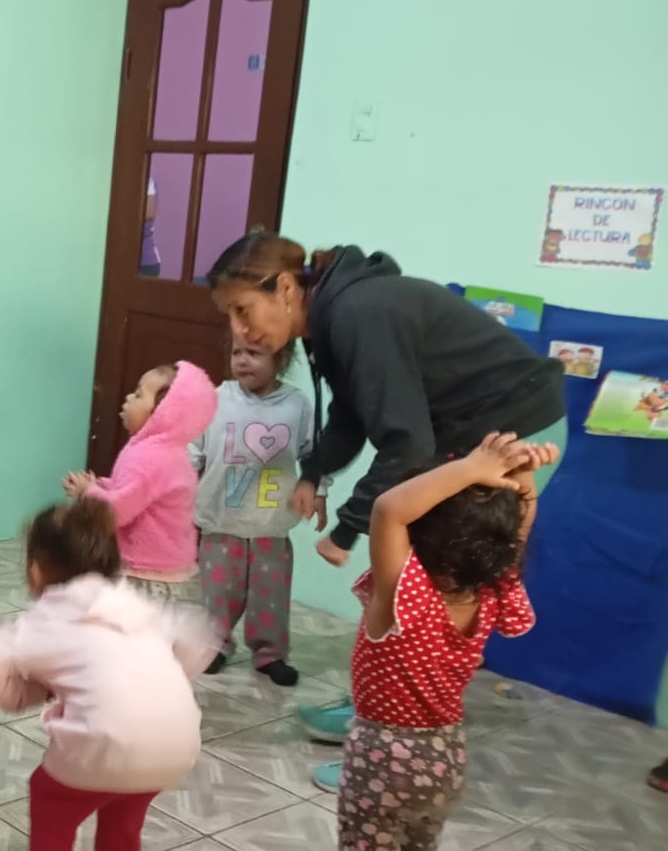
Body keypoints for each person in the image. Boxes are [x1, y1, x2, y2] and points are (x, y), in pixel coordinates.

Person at [207, 232, 566, 760]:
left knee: (431, 598)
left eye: (243, 310)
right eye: (230, 318)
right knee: (402, 593)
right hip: (465, 441)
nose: (241, 331)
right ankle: (372, 711)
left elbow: (406, 441)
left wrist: (349, 527)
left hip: (513, 434)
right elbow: (353, 414)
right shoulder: (333, 317)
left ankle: (396, 749)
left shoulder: (357, 312)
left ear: (284, 287)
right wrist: (314, 472)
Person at [291, 434, 555, 851]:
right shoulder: (490, 589)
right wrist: (521, 483)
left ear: (423, 533)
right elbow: (514, 537)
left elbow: (389, 509)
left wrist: (473, 467)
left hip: (384, 757)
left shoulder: (404, 593)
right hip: (445, 755)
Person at [0, 500, 214, 851]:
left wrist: (29, 692)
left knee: (52, 808)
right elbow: (199, 636)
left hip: (100, 745)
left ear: (36, 569)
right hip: (173, 746)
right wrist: (157, 683)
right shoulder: (138, 607)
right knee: (124, 808)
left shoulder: (46, 620)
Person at [190, 338, 325, 685]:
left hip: (271, 522)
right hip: (220, 518)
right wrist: (176, 490)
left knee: (271, 593)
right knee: (217, 593)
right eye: (236, 352)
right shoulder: (216, 399)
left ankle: (270, 654)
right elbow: (192, 450)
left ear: (281, 359)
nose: (242, 360)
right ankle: (214, 646)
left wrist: (319, 491)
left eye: (253, 354)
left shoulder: (296, 405)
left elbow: (314, 454)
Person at [64, 361, 219, 605]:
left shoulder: (149, 456)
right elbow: (140, 495)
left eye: (138, 395)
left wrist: (88, 492)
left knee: (131, 628)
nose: (128, 398)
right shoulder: (168, 452)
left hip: (147, 578)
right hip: (168, 571)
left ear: (163, 413)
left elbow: (118, 511)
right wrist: (102, 486)